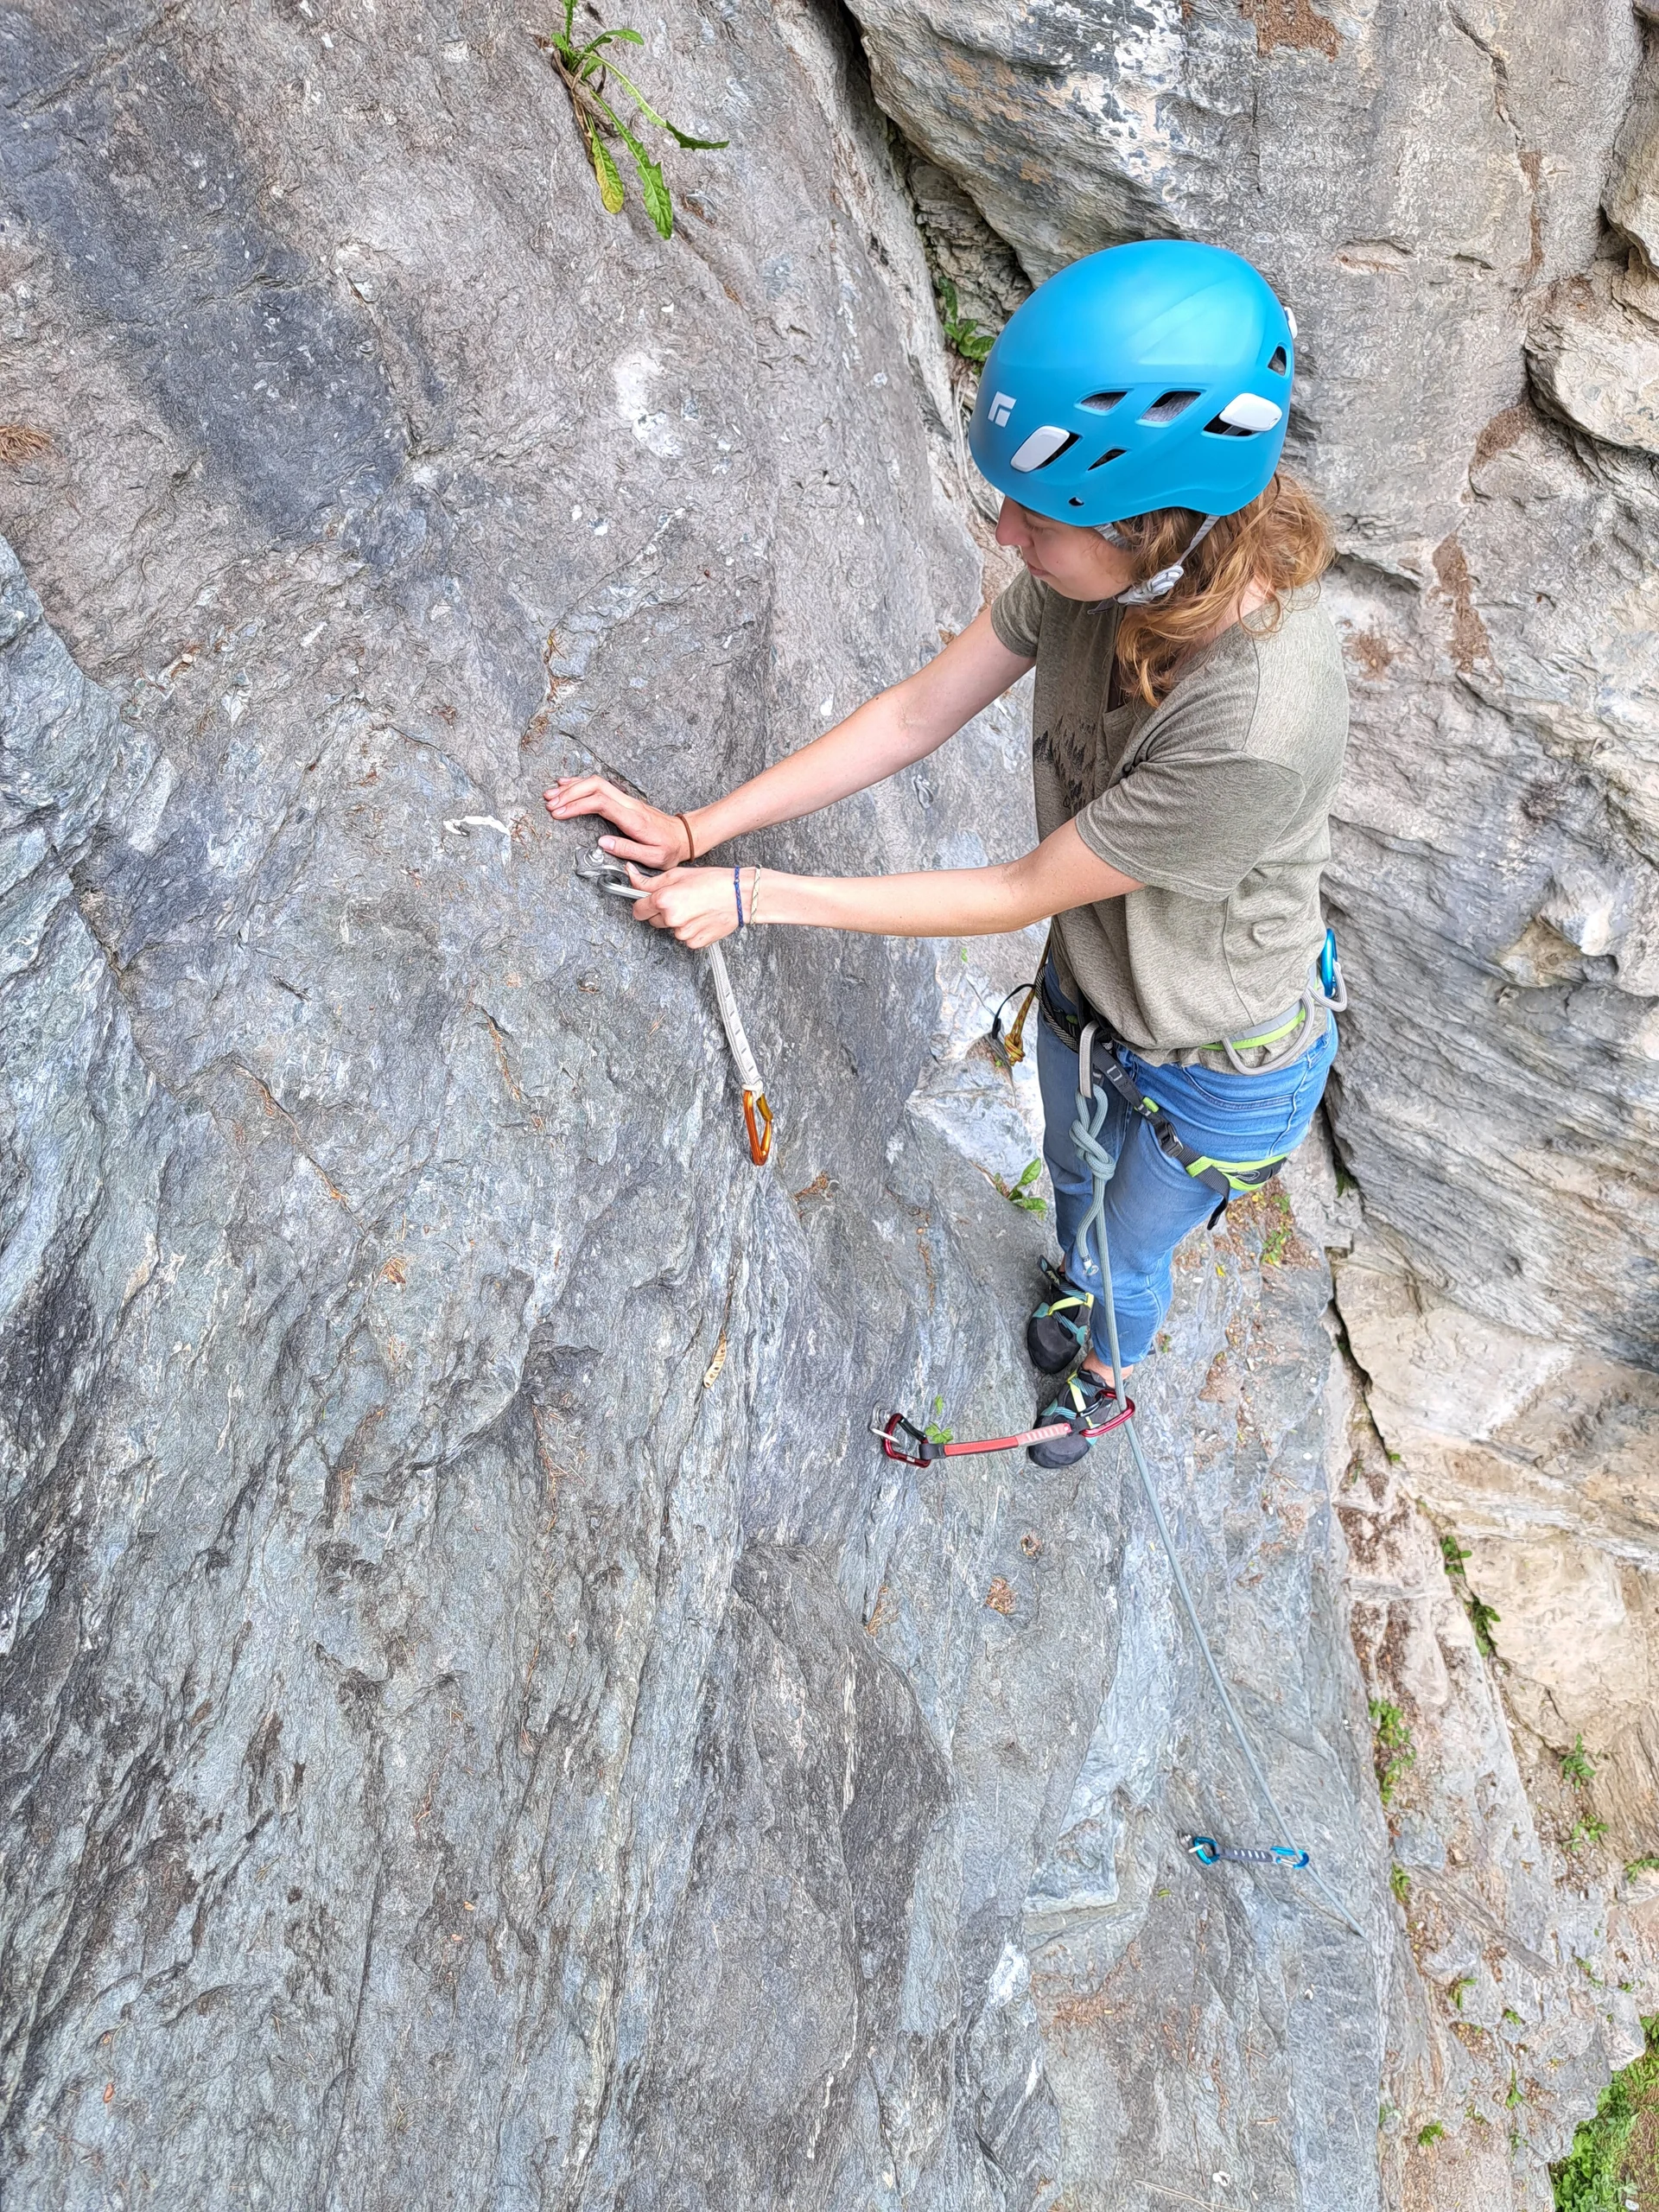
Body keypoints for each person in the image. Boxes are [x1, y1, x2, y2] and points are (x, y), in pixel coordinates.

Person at [546, 239, 1348, 1468]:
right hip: (1097, 992)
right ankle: (1077, 1297)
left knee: (1130, 1251)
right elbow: (919, 713)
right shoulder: (1101, 572)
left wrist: (751, 895)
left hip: (1215, 1063)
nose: (1009, 530)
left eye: (1043, 512)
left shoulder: (1253, 723)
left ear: (1155, 525)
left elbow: (1019, 890)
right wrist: (702, 827)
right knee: (1075, 1197)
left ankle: (1104, 1377)